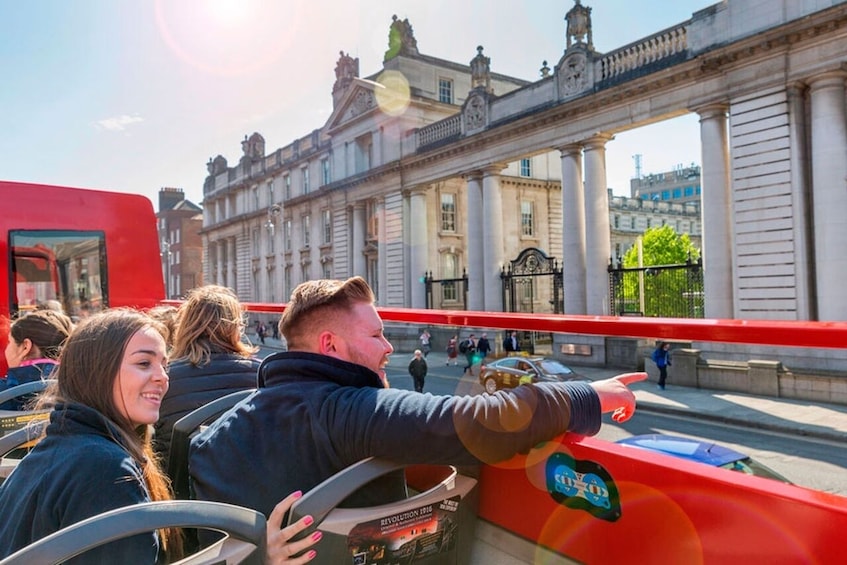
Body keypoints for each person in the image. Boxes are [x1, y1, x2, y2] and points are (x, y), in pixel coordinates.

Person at [189, 276, 645, 520]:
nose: (389, 347)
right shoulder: (345, 411)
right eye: (376, 334)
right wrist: (588, 396)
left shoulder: (220, 429)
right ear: (329, 346)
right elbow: (481, 420)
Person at [0, 308, 321, 564]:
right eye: (144, 363)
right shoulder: (105, 471)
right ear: (96, 371)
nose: (162, 378)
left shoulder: (57, 447)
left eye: (164, 364)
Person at [152, 285, 261, 465]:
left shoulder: (164, 376)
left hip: (179, 487)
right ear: (235, 328)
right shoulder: (262, 374)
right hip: (247, 484)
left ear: (185, 325)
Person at [1, 309, 73, 410]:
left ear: (25, 347)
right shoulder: (77, 387)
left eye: (9, 342)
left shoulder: (5, 391)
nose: (6, 349)